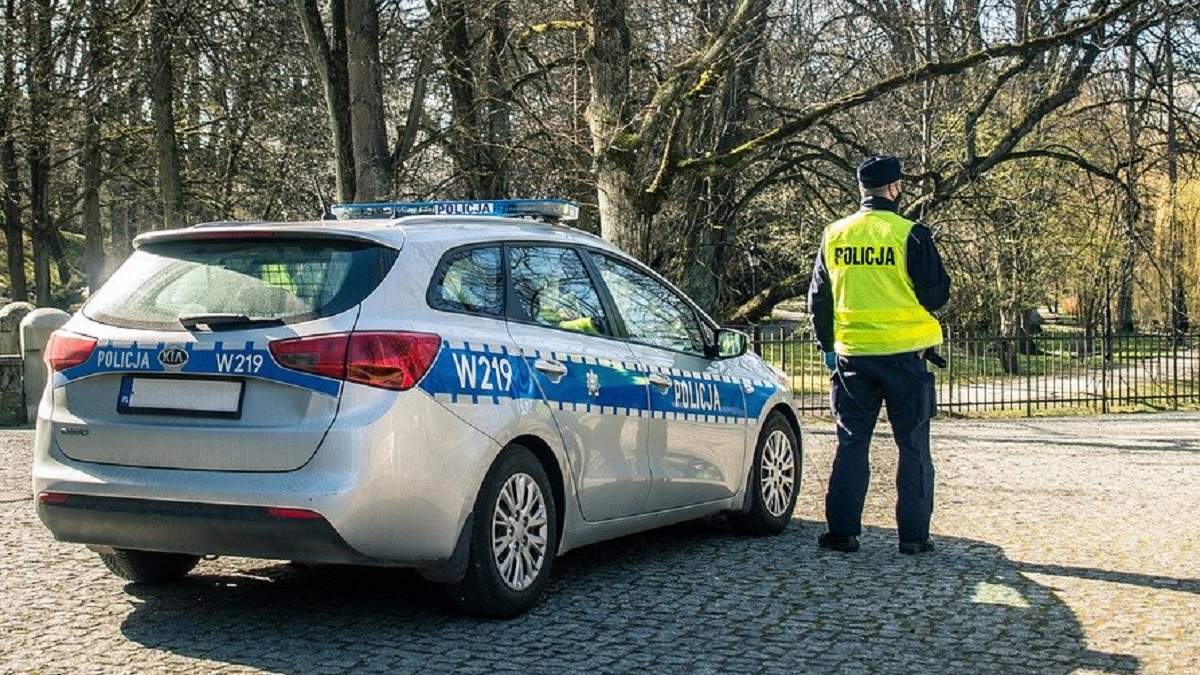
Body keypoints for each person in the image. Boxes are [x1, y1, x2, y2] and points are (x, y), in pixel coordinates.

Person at [807, 154, 951, 555]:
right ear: (894, 188)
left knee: (852, 442)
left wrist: (827, 346)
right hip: (906, 357)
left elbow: (819, 299)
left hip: (853, 357)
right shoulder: (912, 234)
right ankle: (914, 538)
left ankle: (842, 533)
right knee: (913, 445)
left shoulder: (835, 235)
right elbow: (936, 295)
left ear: (861, 190)